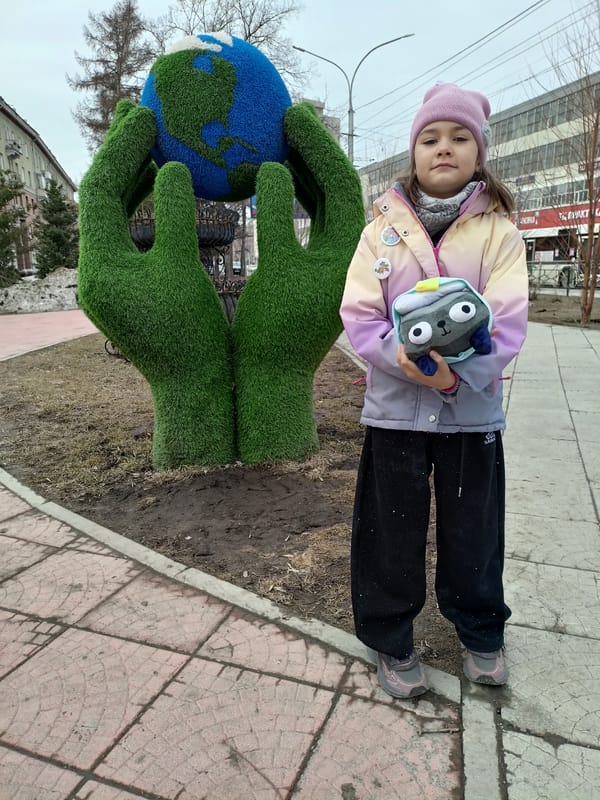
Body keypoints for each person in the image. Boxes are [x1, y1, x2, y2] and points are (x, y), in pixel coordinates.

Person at [339, 83, 528, 699]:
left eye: (459, 137)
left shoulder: (498, 232)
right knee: (388, 530)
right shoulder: (381, 231)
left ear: (480, 152)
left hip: (472, 417)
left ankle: (480, 631)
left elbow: (507, 319)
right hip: (394, 412)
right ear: (413, 152)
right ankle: (391, 637)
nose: (443, 148)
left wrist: (456, 375)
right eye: (430, 138)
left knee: (473, 529)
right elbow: (361, 314)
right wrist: (404, 361)